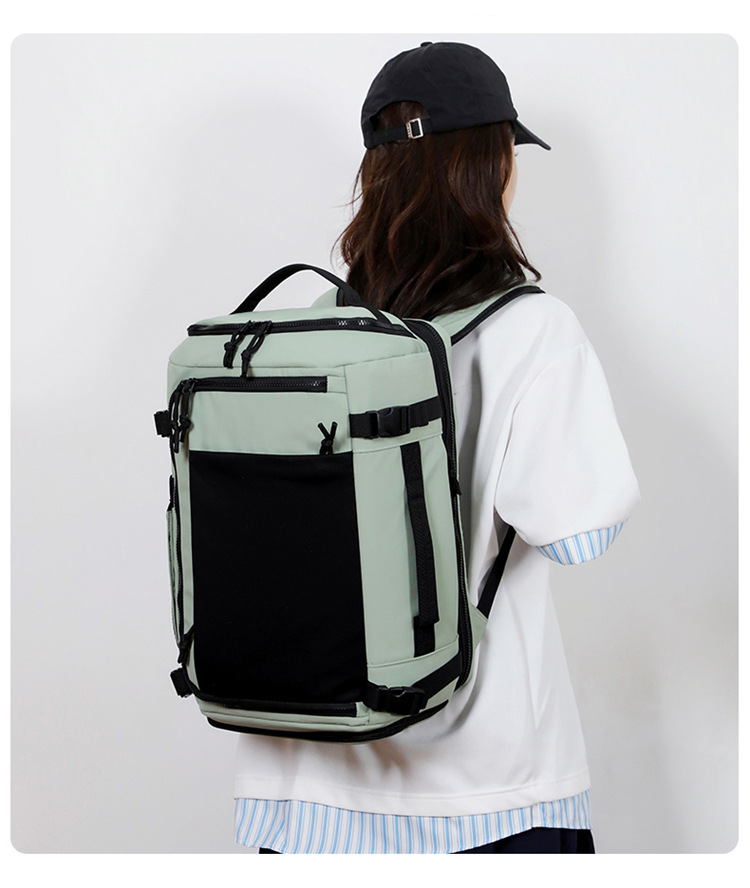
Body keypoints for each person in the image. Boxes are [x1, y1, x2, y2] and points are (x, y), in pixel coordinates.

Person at [232, 40, 640, 854]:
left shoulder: (310, 327)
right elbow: (580, 535)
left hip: (297, 788)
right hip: (483, 793)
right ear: (489, 167)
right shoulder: (533, 329)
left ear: (376, 172)